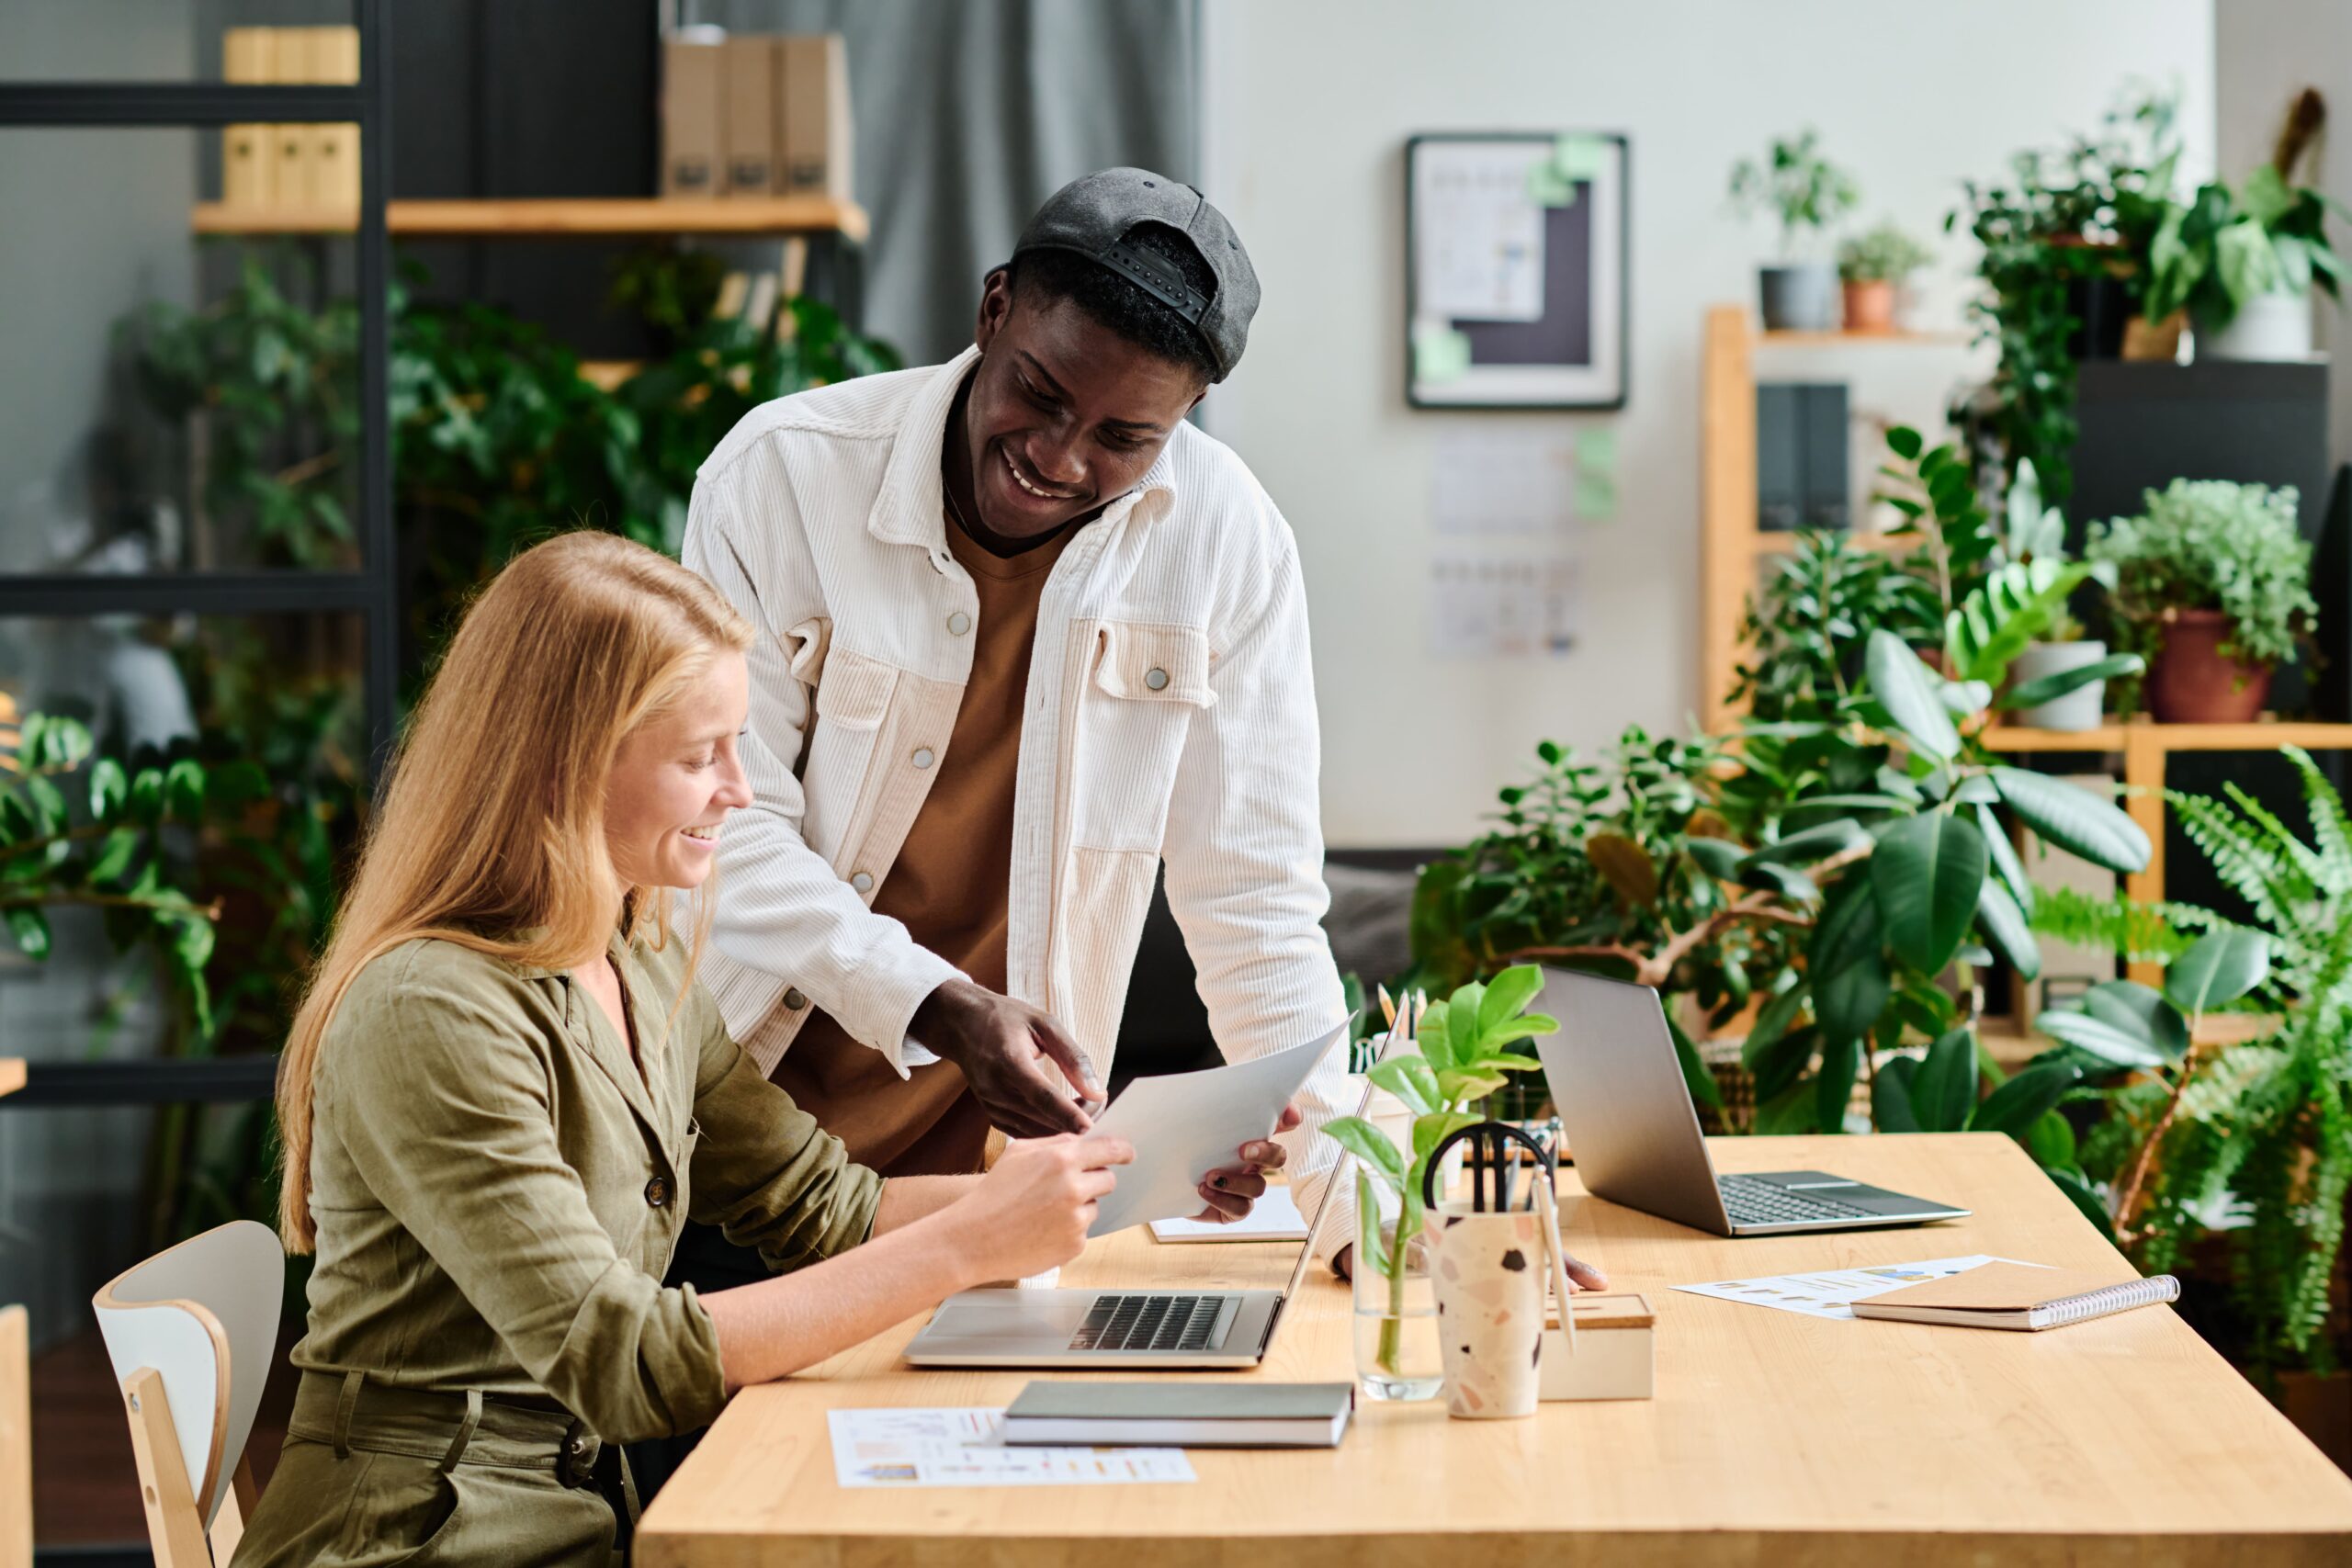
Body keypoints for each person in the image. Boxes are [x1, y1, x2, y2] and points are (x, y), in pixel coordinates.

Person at [232, 532, 1131, 1567]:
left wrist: (1107, 1177)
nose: (740, 792)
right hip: (416, 1538)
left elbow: (827, 1211)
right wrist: (972, 1243)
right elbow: (624, 1360)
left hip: (575, 1516)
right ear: (566, 766)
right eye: (700, 755)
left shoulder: (640, 955)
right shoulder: (430, 1012)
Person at [669, 168, 1363, 1304]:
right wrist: (942, 1006)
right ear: (994, 310)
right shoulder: (785, 476)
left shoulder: (1229, 542)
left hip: (1000, 1198)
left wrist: (1364, 1217)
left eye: (1123, 437)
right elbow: (723, 834)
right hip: (742, 1155)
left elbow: (1255, 906)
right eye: (1038, 393)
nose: (1060, 456)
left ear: (1182, 421)